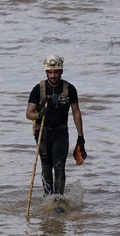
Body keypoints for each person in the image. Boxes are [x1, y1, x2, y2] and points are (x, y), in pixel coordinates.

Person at [25, 55, 85, 197]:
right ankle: (48, 199)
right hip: (43, 134)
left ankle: (58, 201)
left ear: (61, 72)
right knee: (46, 168)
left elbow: (76, 112)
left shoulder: (69, 89)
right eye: (50, 72)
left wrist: (80, 137)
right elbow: (28, 114)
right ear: (46, 72)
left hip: (61, 133)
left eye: (56, 72)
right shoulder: (38, 89)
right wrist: (40, 114)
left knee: (59, 166)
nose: (53, 76)